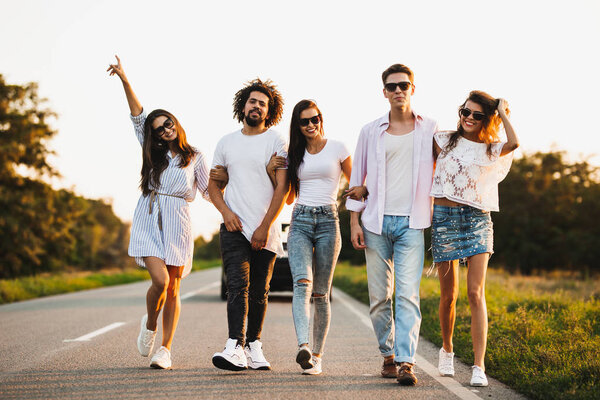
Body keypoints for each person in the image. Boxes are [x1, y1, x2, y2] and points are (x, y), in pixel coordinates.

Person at [107, 56, 210, 369]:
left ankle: (165, 349)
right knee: (161, 281)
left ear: (175, 123)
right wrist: (125, 80)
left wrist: (236, 211)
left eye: (168, 123)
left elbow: (210, 191)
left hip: (179, 221)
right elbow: (138, 116)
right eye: (158, 128)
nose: (164, 129)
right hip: (149, 218)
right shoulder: (151, 149)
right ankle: (150, 324)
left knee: (174, 287)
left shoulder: (195, 157)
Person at [345, 64, 438, 386]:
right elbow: (358, 181)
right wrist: (355, 221)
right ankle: (387, 355)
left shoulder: (431, 130)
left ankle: (406, 362)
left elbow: (450, 166)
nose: (399, 90)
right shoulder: (370, 131)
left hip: (413, 223)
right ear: (384, 92)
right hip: (375, 223)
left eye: (404, 85)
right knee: (379, 297)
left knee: (408, 295)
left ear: (413, 89)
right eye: (392, 86)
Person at [431, 91, 519, 387]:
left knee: (475, 293)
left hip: (477, 222)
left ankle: (479, 366)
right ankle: (447, 350)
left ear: (487, 119)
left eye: (476, 115)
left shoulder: (492, 149)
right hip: (444, 219)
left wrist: (503, 112)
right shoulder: (443, 140)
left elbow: (515, 142)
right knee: (448, 295)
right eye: (464, 112)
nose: (467, 118)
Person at [208, 78, 288, 371]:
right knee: (237, 286)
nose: (256, 106)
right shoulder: (226, 142)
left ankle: (254, 345)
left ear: (269, 111)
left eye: (262, 104)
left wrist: (265, 226)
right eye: (253, 101)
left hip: (265, 228)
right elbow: (213, 184)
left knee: (259, 291)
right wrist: (226, 212)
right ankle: (234, 346)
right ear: (243, 105)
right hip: (233, 228)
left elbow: (282, 188)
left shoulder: (276, 141)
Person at [282, 100, 352, 375]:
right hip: (299, 220)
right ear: (297, 126)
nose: (311, 124)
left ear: (321, 119)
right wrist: (276, 169)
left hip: (328, 221)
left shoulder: (338, 148)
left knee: (321, 293)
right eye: (305, 121)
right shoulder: (294, 153)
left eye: (315, 119)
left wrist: (357, 216)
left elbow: (356, 183)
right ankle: (304, 346)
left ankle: (318, 356)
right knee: (302, 284)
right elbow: (288, 196)